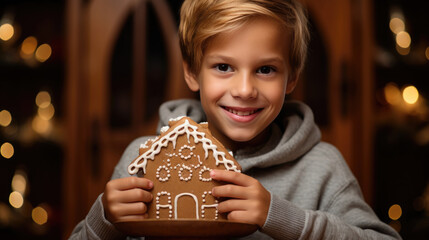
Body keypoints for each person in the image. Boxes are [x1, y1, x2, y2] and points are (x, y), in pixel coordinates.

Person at [70, 0, 402, 239]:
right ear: (191, 71)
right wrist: (106, 221)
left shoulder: (323, 168)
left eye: (266, 69)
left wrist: (283, 218)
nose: (244, 90)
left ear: (291, 78)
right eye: (224, 67)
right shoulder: (142, 159)